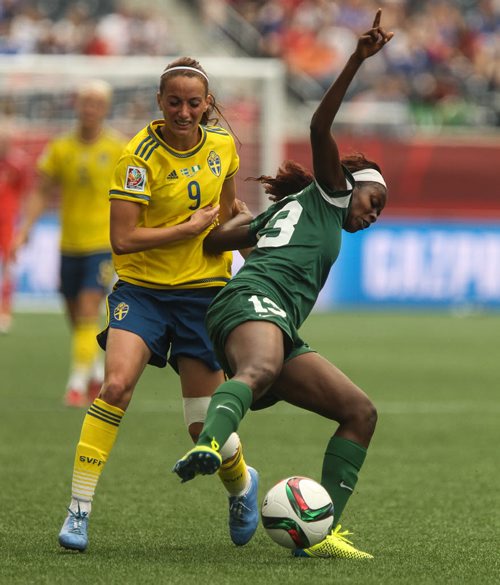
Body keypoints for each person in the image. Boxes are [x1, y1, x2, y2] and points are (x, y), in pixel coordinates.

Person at [173, 10, 393, 559]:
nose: (373, 214)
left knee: (360, 412)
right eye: (375, 202)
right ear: (351, 183)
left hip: (272, 317)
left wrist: (239, 222)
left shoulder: (289, 211)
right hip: (251, 302)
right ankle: (208, 444)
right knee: (260, 369)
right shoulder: (331, 193)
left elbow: (217, 244)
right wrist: (356, 60)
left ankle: (321, 535)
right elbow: (320, 128)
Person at [57, 57, 259, 553]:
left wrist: (254, 254)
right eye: (175, 102)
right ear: (159, 103)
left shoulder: (223, 146)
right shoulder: (137, 157)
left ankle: (242, 486)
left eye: (193, 103)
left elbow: (228, 218)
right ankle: (78, 510)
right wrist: (185, 230)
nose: (184, 112)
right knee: (117, 385)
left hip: (203, 294)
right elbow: (123, 239)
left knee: (201, 425)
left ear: (207, 104)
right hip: (142, 291)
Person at [13, 80, 126, 406]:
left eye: (95, 103)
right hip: (68, 244)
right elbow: (41, 190)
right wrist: (25, 229)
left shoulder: (118, 148)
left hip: (102, 244)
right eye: (84, 102)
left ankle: (76, 385)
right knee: (75, 316)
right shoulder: (61, 148)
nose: (89, 108)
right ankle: (93, 374)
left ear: (104, 109)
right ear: (77, 106)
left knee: (90, 306)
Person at [0, 121, 30, 334]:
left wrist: (25, 225)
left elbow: (25, 193)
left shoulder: (18, 163)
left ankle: (5, 310)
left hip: (7, 221)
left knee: (9, 266)